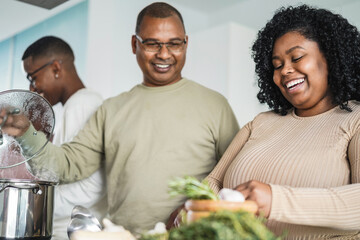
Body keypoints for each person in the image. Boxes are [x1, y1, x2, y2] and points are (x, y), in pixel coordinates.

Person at [0, 2, 239, 234]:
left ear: (186, 43)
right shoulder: (111, 110)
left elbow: (235, 180)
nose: (164, 54)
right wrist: (25, 131)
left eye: (174, 44)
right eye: (153, 44)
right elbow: (65, 166)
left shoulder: (215, 106)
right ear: (135, 44)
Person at [205, 5, 360, 239]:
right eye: (277, 65)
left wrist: (275, 200)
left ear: (331, 56)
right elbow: (214, 181)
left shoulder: (355, 120)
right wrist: (193, 209)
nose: (285, 71)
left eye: (296, 57)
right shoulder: (261, 122)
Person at [22, 36, 106, 240]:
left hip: (73, 230)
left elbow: (90, 188)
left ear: (56, 68)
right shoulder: (76, 105)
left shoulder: (82, 105)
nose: (32, 88)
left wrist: (33, 207)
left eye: (33, 78)